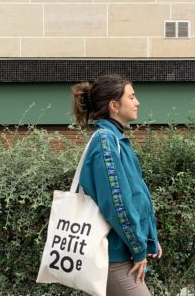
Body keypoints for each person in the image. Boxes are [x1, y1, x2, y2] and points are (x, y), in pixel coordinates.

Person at [72, 74, 162, 296]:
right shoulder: (106, 142)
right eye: (131, 97)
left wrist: (148, 237)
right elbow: (118, 204)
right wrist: (138, 247)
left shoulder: (115, 139)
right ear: (114, 105)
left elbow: (136, 195)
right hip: (113, 257)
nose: (137, 102)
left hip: (114, 252)